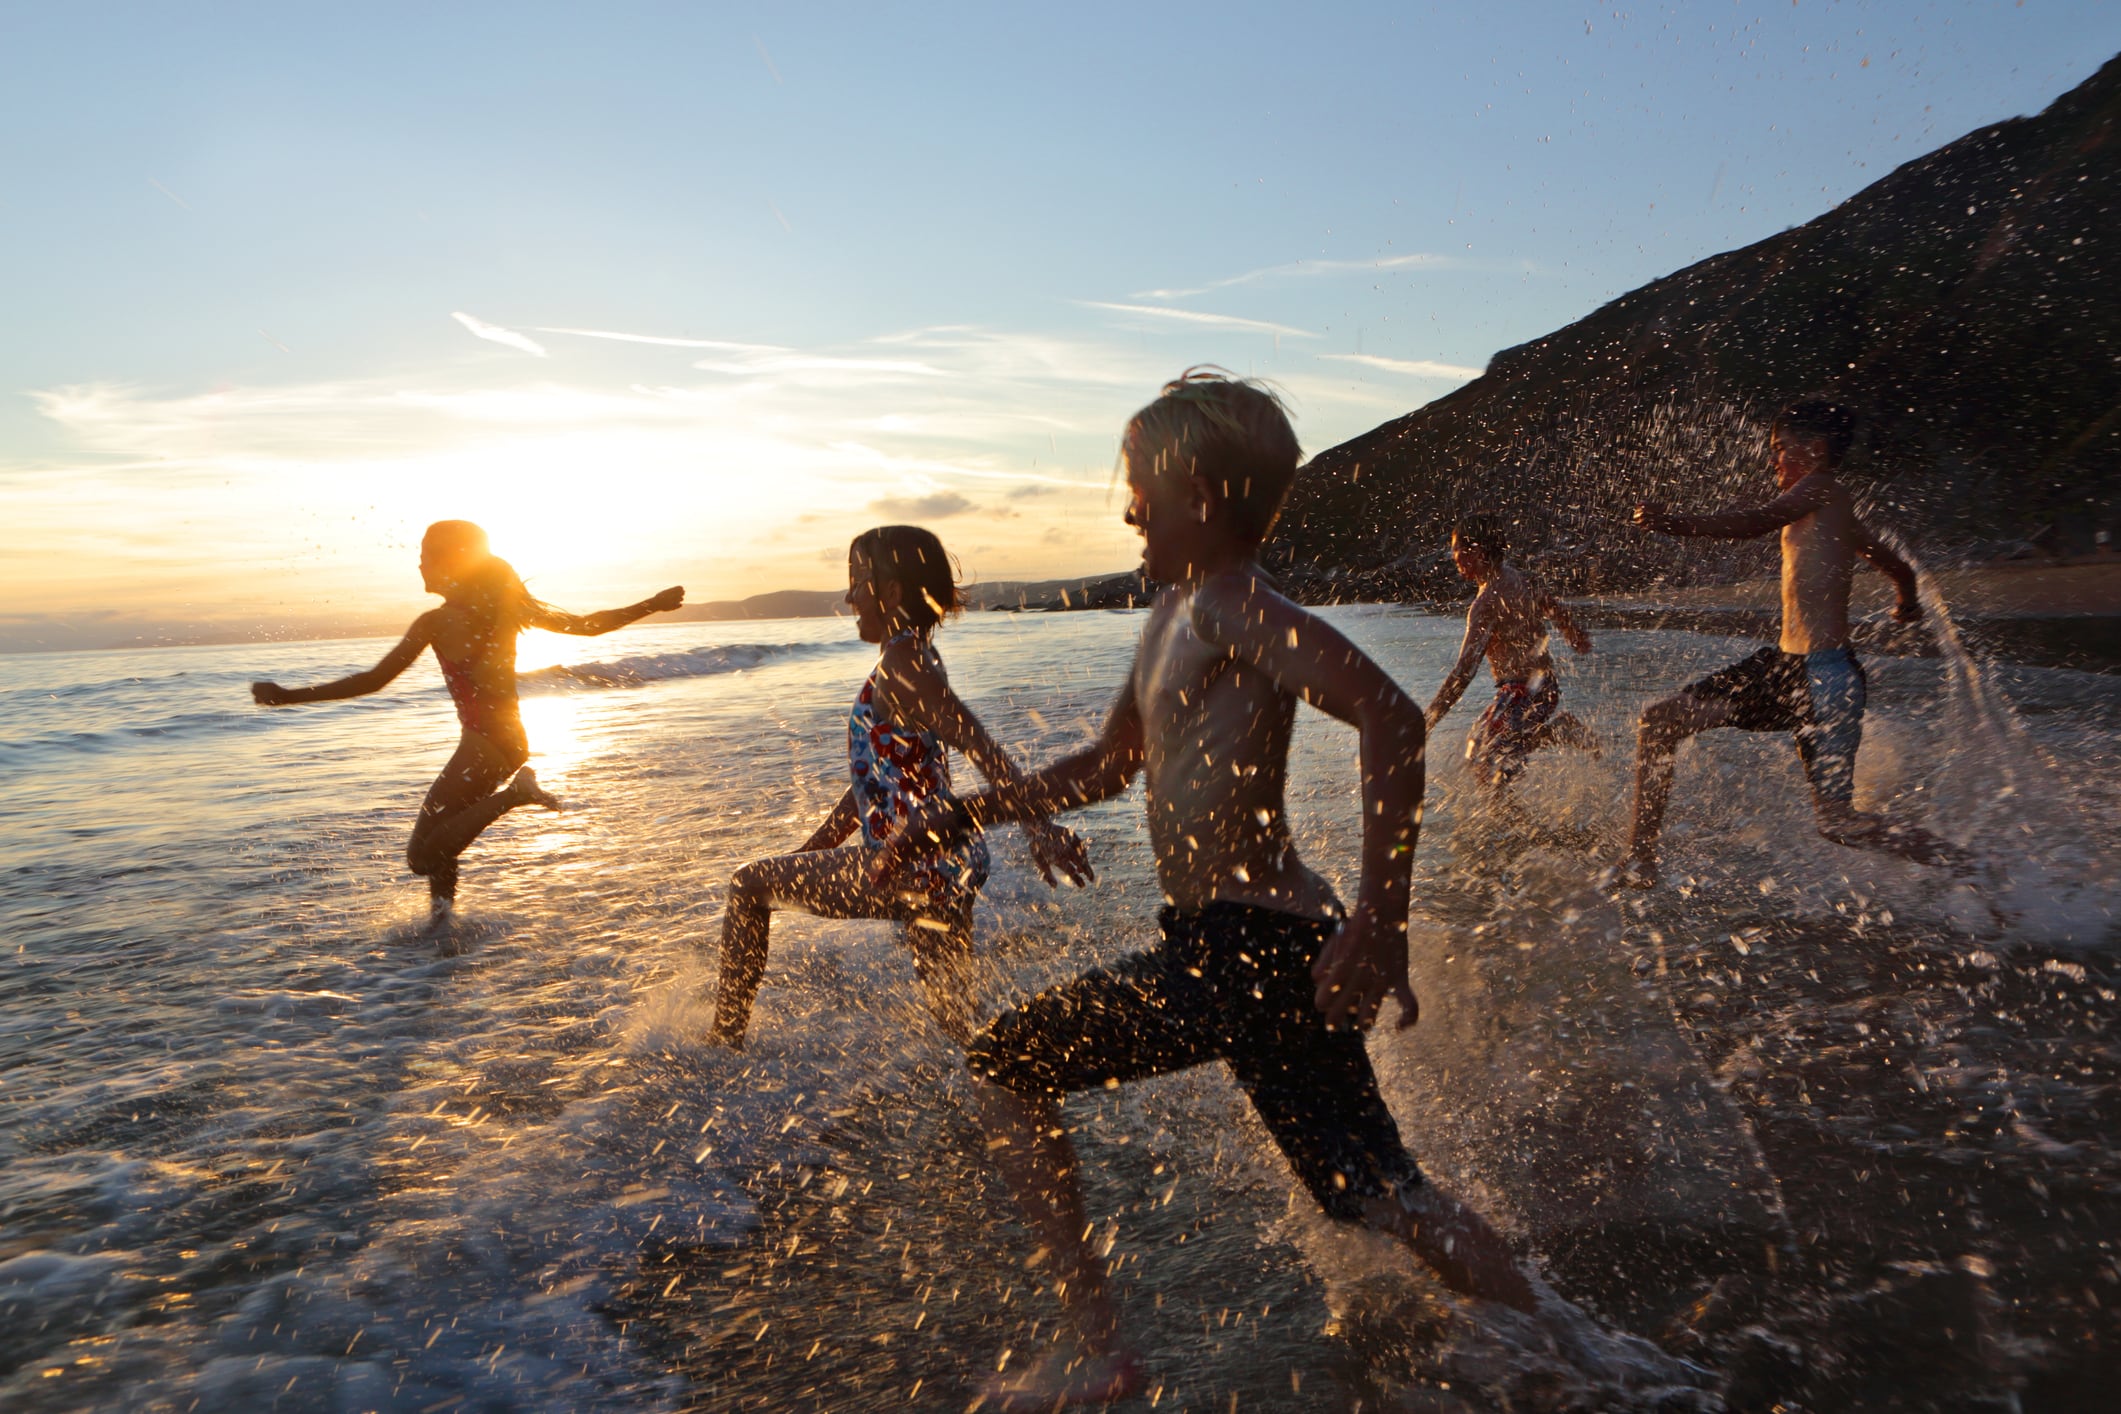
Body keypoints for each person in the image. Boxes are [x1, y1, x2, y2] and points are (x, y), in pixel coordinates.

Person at [877, 372, 1535, 1409]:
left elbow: (1391, 716)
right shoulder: (1174, 616)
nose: (1128, 508)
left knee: (1007, 1062)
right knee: (1377, 1193)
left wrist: (1382, 920)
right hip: (1234, 944)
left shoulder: (1235, 605)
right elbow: (1109, 762)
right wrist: (961, 812)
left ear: (1205, 496)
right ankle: (1572, 1359)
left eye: (1141, 486)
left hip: (1255, 947)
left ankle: (1104, 1351)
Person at [706, 526, 1092, 1050]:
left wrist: (1038, 825)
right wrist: (810, 853)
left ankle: (722, 1048)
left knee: (748, 886)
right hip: (945, 862)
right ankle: (1025, 1082)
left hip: (911, 862)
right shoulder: (917, 656)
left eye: (857, 582)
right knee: (959, 1022)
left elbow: (979, 743)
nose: (849, 598)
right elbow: (871, 785)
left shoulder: (901, 665)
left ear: (890, 593)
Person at [1609, 397, 1967, 890]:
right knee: (1659, 722)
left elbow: (1756, 520)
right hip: (1788, 667)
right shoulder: (1835, 511)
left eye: (1780, 449)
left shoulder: (1820, 489)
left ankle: (1965, 864)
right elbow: (1897, 564)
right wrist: (1906, 601)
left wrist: (1676, 522)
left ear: (1815, 450)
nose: (1772, 459)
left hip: (1823, 677)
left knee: (1838, 823)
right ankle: (1641, 865)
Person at [251, 520, 683, 921]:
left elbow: (374, 681)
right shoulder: (504, 608)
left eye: (427, 554)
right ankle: (442, 920)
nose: (419, 563)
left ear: (452, 560)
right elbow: (586, 626)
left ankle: (517, 795)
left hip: (485, 745)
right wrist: (653, 605)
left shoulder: (437, 622)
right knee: (442, 834)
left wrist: (289, 697)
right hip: (499, 740)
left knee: (421, 857)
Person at [1425, 513, 1597, 791]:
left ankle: (1507, 825)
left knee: (1490, 765)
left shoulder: (1485, 603)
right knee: (1477, 750)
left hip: (1521, 691)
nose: (1453, 556)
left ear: (1477, 552)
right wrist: (1572, 632)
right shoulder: (1517, 577)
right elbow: (1551, 604)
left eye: (1456, 548)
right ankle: (1510, 817)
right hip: (1542, 687)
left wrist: (1430, 718)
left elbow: (1464, 671)